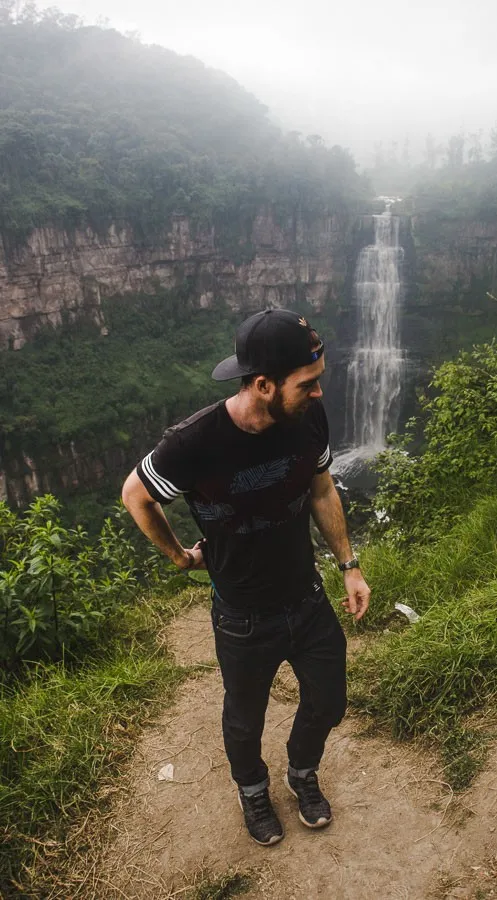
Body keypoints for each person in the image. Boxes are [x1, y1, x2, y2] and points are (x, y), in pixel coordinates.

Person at [122, 308, 371, 846]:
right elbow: (135, 495)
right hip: (242, 614)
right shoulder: (194, 442)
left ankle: (301, 773)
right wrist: (178, 556)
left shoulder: (307, 418)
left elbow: (323, 490)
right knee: (245, 718)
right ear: (263, 384)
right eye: (308, 383)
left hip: (306, 597)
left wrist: (349, 566)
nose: (320, 393)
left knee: (328, 700)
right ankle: (252, 789)